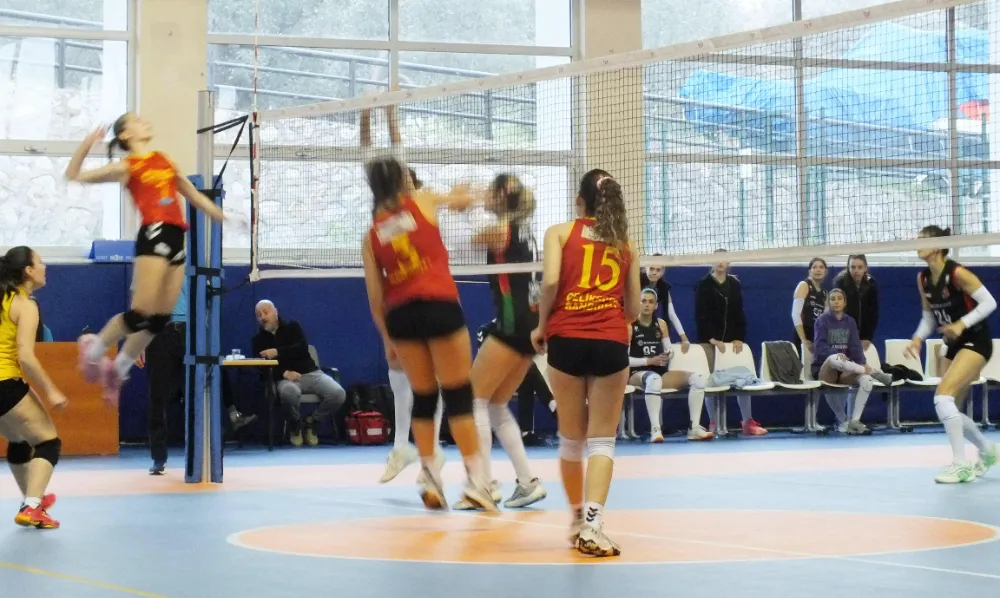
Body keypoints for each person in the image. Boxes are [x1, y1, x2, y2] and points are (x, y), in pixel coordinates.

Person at [361, 149, 495, 511]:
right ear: (401, 179)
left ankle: (431, 477)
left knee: (424, 397)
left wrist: (388, 340)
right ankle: (477, 482)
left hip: (402, 317)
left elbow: (376, 299)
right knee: (458, 395)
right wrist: (469, 193)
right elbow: (461, 201)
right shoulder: (422, 200)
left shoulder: (371, 235)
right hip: (439, 305)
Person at [66, 114, 225, 405]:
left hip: (178, 237)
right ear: (126, 135)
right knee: (140, 313)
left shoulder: (164, 160)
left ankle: (118, 370)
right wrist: (87, 144)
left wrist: (223, 216)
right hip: (154, 232)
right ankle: (93, 351)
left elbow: (192, 194)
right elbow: (74, 175)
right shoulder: (128, 166)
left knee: (159, 319)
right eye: (137, 121)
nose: (145, 122)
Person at [531, 169, 641, 557]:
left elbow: (549, 283)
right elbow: (633, 309)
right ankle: (594, 525)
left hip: (566, 339)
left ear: (580, 201)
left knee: (571, 438)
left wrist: (541, 326)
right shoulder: (625, 244)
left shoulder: (560, 233)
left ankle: (577, 517)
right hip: (610, 341)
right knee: (602, 441)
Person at [363, 105, 447, 484]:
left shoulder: (419, 204)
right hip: (398, 297)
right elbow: (374, 159)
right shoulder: (382, 217)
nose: (405, 179)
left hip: (428, 293)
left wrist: (390, 116)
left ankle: (432, 454)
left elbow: (398, 154)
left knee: (433, 378)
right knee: (398, 370)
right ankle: (402, 447)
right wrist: (367, 116)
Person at [456, 173, 547, 510]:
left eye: (490, 191)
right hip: (530, 326)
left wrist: (464, 205)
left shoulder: (502, 230)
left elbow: (464, 242)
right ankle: (527, 482)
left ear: (501, 195)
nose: (485, 195)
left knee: (473, 400)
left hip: (512, 325)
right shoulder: (525, 229)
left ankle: (482, 485)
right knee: (495, 405)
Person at [906, 225, 998, 484]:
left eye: (923, 240)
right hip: (954, 345)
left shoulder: (957, 273)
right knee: (949, 408)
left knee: (942, 397)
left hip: (976, 340)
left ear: (937, 245)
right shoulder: (923, 279)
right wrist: (918, 337)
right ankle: (988, 450)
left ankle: (961, 465)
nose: (917, 244)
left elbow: (990, 302)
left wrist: (960, 324)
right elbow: (929, 316)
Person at [138, 277, 255, 474]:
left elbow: (211, 300)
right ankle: (158, 457)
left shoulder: (199, 264)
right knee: (157, 398)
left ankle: (207, 453)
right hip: (160, 333)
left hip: (191, 334)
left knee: (198, 396)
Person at [0, 247, 66, 529]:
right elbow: (26, 356)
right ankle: (32, 506)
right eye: (40, 262)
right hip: (5, 381)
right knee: (48, 443)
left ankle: (31, 500)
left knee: (18, 440)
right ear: (28, 271)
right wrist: (51, 390)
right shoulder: (25, 305)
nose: (44, 267)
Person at [252, 300, 347, 447]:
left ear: (275, 312)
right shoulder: (258, 340)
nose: (263, 317)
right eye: (259, 315)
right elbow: (262, 367)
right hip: (285, 379)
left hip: (310, 373)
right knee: (289, 392)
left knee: (338, 393)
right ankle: (295, 424)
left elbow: (301, 349)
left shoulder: (293, 327)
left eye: (266, 312)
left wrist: (277, 352)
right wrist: (284, 373)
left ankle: (311, 422)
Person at [693, 252, 767, 436]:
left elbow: (738, 312)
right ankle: (714, 422)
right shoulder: (703, 285)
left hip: (731, 343)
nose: (720, 262)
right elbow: (700, 314)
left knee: (743, 378)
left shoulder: (734, 284)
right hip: (710, 343)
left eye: (724, 259)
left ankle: (748, 422)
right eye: (717, 259)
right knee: (711, 381)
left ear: (728, 262)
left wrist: (739, 337)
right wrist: (710, 338)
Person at [628, 288, 712, 443]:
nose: (647, 304)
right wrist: (648, 361)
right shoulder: (630, 325)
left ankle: (694, 428)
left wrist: (668, 354)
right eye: (643, 301)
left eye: (651, 302)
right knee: (653, 379)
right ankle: (655, 430)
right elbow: (624, 359)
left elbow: (669, 350)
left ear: (656, 306)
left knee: (698, 379)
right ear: (637, 303)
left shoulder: (661, 324)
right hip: (636, 373)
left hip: (660, 373)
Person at [811, 288, 893, 435]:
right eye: (833, 299)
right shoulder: (821, 321)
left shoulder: (850, 322)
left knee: (866, 380)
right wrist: (835, 353)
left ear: (845, 302)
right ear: (828, 303)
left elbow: (855, 347)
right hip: (826, 368)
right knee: (835, 358)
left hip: (846, 368)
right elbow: (820, 348)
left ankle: (854, 421)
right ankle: (873, 373)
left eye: (839, 299)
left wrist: (862, 362)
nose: (836, 302)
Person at [640, 260, 691, 352]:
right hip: (634, 323)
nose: (654, 273)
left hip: (650, 326)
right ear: (645, 268)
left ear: (663, 272)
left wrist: (684, 338)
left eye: (658, 270)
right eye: (651, 269)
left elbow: (671, 313)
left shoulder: (663, 287)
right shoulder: (637, 282)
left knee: (662, 325)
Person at [792, 258, 828, 353]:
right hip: (803, 335)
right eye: (814, 267)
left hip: (816, 337)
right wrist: (803, 339)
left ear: (826, 271)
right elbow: (795, 314)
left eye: (821, 267)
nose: (818, 270)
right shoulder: (804, 285)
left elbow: (825, 320)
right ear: (809, 271)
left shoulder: (824, 293)